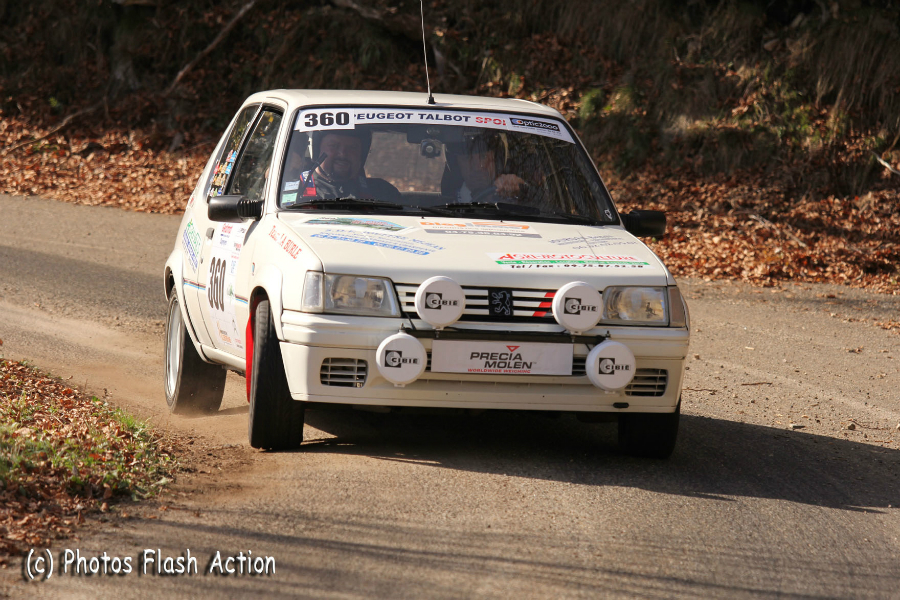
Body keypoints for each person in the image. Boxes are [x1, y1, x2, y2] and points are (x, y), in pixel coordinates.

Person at [294, 130, 400, 202]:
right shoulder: (295, 189)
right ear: (316, 150)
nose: (343, 154)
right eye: (334, 146)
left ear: (362, 155)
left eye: (352, 148)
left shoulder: (383, 192)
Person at [443, 133, 530, 204]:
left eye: (484, 157)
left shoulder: (513, 198)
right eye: (467, 158)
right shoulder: (443, 210)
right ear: (456, 164)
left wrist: (518, 192)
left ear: (497, 160)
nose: (478, 167)